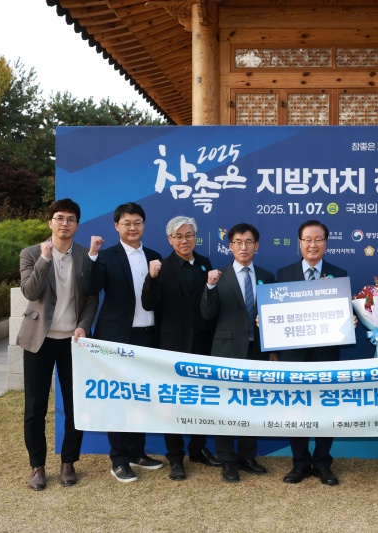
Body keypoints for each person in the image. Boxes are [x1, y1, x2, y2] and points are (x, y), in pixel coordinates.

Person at [17, 198, 99, 491]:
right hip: (38, 340)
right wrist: (44, 259)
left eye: (71, 219)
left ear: (77, 224)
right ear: (50, 222)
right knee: (35, 407)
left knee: (76, 405)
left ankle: (68, 462)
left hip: (73, 342)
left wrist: (84, 325)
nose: (65, 223)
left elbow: (91, 298)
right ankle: (37, 466)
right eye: (60, 218)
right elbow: (30, 291)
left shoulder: (85, 255)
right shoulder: (30, 253)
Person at [85, 202, 165, 483]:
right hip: (117, 337)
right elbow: (91, 288)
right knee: (118, 398)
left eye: (137, 222)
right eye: (127, 223)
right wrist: (92, 255)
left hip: (147, 336)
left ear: (144, 225)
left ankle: (137, 452)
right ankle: (118, 459)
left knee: (141, 396)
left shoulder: (155, 257)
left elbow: (157, 298)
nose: (133, 228)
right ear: (116, 226)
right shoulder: (106, 256)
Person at [142, 215, 221, 481]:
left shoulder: (205, 263)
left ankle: (198, 449)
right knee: (172, 402)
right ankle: (175, 457)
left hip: (202, 342)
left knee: (201, 399)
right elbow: (148, 303)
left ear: (195, 237)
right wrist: (152, 278)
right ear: (170, 240)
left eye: (189, 235)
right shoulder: (161, 267)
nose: (184, 240)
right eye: (178, 236)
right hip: (172, 344)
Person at [274, 220, 347, 486]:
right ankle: (300, 463)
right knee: (297, 410)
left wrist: (348, 321)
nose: (312, 244)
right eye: (307, 239)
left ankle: (323, 463)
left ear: (326, 243)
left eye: (318, 239)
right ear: (299, 243)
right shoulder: (284, 274)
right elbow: (275, 314)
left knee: (325, 409)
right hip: (293, 356)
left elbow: (342, 314)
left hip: (326, 355)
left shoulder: (339, 274)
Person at [201, 223, 274, 483]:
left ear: (257, 246)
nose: (244, 247)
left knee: (253, 405)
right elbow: (207, 314)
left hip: (257, 351)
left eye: (249, 242)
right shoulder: (218, 276)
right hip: (227, 351)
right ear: (230, 246)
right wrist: (210, 287)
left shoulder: (267, 276)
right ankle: (227, 460)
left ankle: (247, 457)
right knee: (226, 408)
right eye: (238, 242)